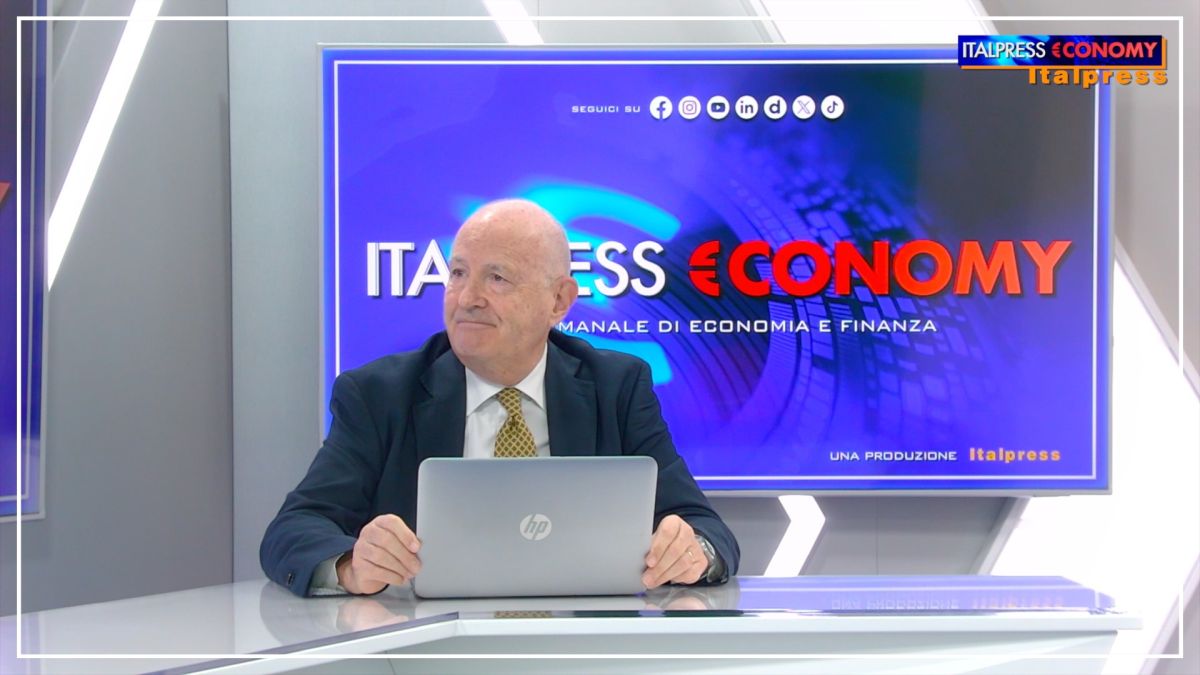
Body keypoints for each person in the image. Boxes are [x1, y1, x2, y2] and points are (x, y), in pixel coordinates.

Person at [260, 199, 739, 597]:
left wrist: (692, 551)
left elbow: (707, 529)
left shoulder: (616, 387)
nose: (467, 297)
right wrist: (350, 565)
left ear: (559, 301)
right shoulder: (379, 395)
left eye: (497, 278)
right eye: (458, 273)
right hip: (429, 646)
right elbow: (293, 529)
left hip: (580, 646)